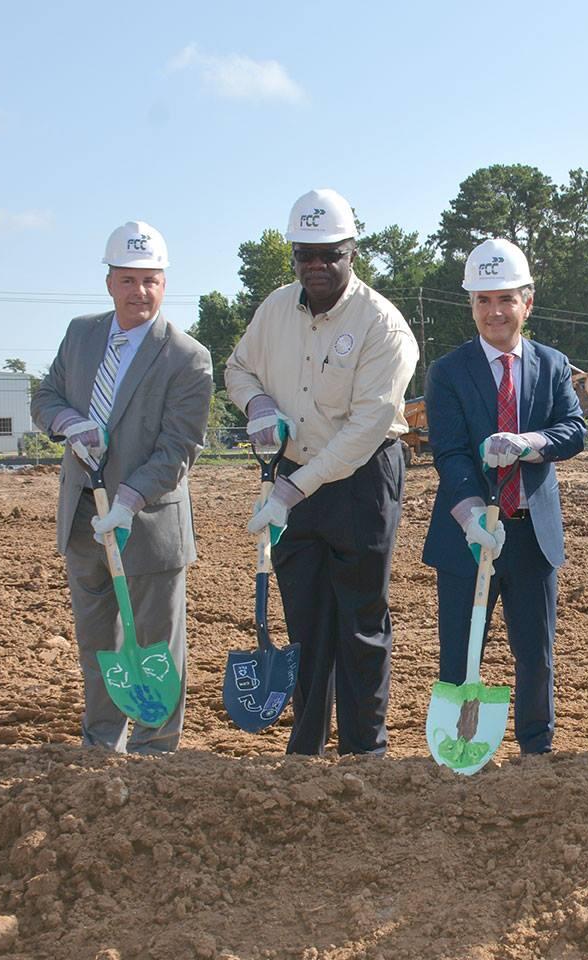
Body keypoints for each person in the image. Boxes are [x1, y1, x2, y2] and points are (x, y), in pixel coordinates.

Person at [224, 188, 419, 756]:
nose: (315, 265)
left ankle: (365, 749)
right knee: (305, 619)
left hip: (360, 482)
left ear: (351, 252)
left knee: (359, 621)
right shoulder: (275, 309)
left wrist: (292, 489)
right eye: (304, 253)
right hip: (293, 479)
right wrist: (258, 405)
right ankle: (305, 746)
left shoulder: (382, 325)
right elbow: (238, 368)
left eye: (328, 253)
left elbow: (365, 428)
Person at [31, 221, 213, 754]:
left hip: (149, 524)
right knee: (97, 642)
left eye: (151, 281)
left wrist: (129, 500)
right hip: (85, 517)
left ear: (164, 283)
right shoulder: (81, 335)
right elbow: (45, 395)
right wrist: (68, 423)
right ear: (110, 281)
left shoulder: (186, 356)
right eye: (129, 280)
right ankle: (100, 743)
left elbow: (179, 448)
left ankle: (156, 749)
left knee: (156, 645)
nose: (140, 292)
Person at [421, 238, 586, 755]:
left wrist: (530, 443)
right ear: (471, 305)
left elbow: (574, 430)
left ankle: (536, 749)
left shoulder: (552, 364)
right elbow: (448, 453)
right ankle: (456, 749)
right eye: (483, 300)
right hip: (467, 538)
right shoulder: (447, 372)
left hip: (531, 535)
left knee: (535, 655)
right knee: (459, 653)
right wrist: (471, 516)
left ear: (526, 302)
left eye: (505, 299)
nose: (495, 311)